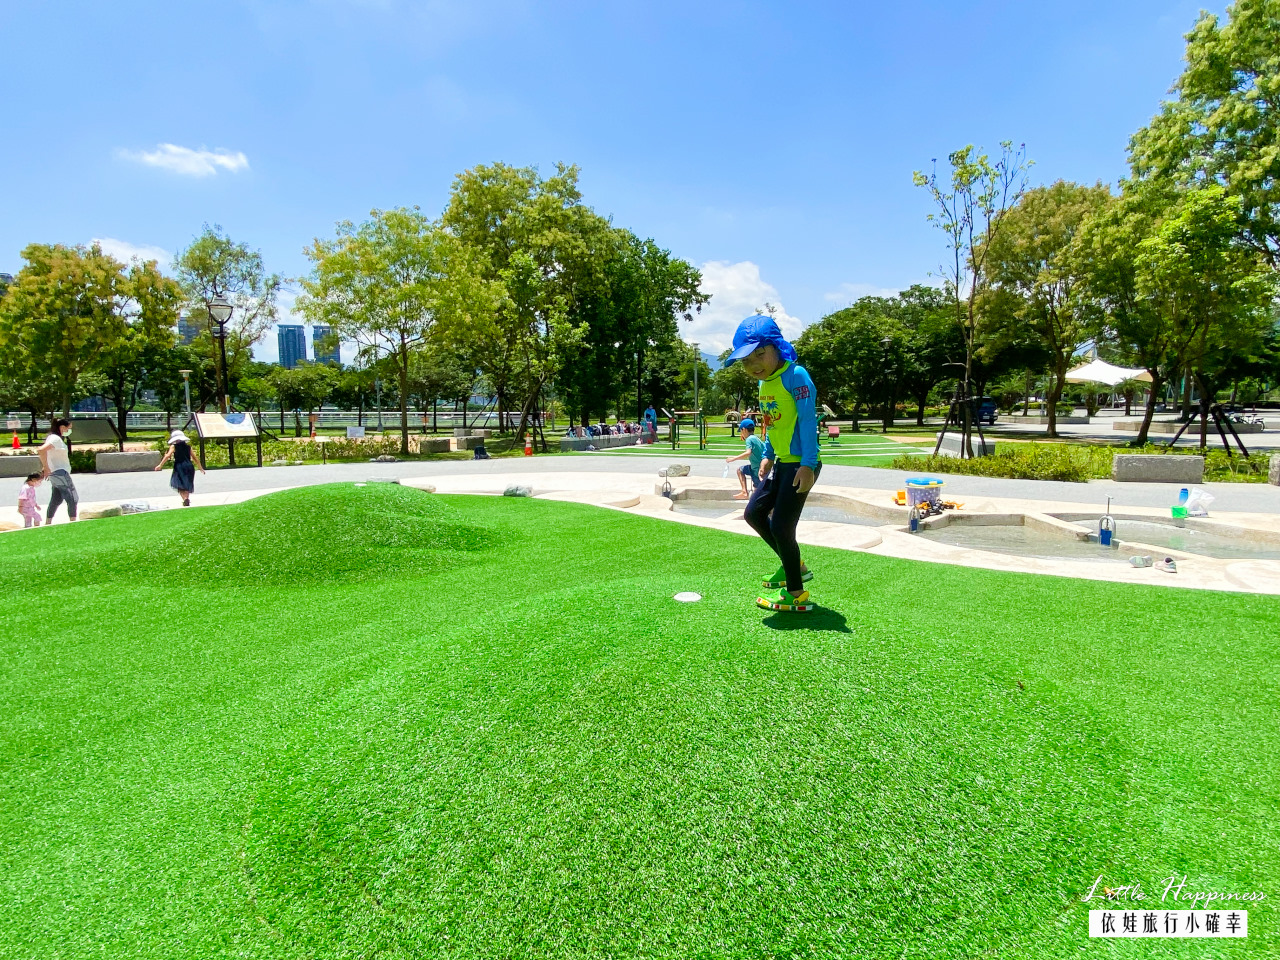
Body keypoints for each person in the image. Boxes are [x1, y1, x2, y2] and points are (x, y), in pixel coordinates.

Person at [725, 315, 821, 613]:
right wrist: (766, 453)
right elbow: (770, 423)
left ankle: (796, 593)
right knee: (754, 514)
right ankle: (794, 565)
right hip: (781, 462)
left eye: (760, 354)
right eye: (746, 360)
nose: (754, 364)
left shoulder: (797, 376)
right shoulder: (765, 384)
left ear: (777, 347)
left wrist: (808, 463)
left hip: (801, 464)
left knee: (781, 526)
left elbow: (807, 421)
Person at [38, 418, 78, 524]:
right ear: (62, 427)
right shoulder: (55, 439)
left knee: (56, 498)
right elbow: (41, 450)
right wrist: (46, 467)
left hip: (55, 472)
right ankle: (73, 521)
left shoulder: (53, 438)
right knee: (72, 497)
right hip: (60, 472)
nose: (69, 431)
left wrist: (47, 466)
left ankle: (48, 522)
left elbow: (48, 453)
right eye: (68, 428)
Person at [154, 430, 205, 506]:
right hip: (189, 466)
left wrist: (160, 465)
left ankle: (184, 499)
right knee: (187, 483)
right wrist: (201, 468)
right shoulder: (188, 447)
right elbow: (195, 457)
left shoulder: (174, 446)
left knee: (179, 483)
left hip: (179, 466)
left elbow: (167, 456)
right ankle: (187, 498)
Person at [724, 418, 765, 501]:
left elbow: (748, 452)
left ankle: (747, 495)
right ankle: (744, 492)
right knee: (740, 470)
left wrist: (733, 459)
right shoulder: (757, 439)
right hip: (760, 467)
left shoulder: (749, 439)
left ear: (744, 429)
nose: (741, 434)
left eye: (741, 431)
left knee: (757, 493)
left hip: (756, 469)